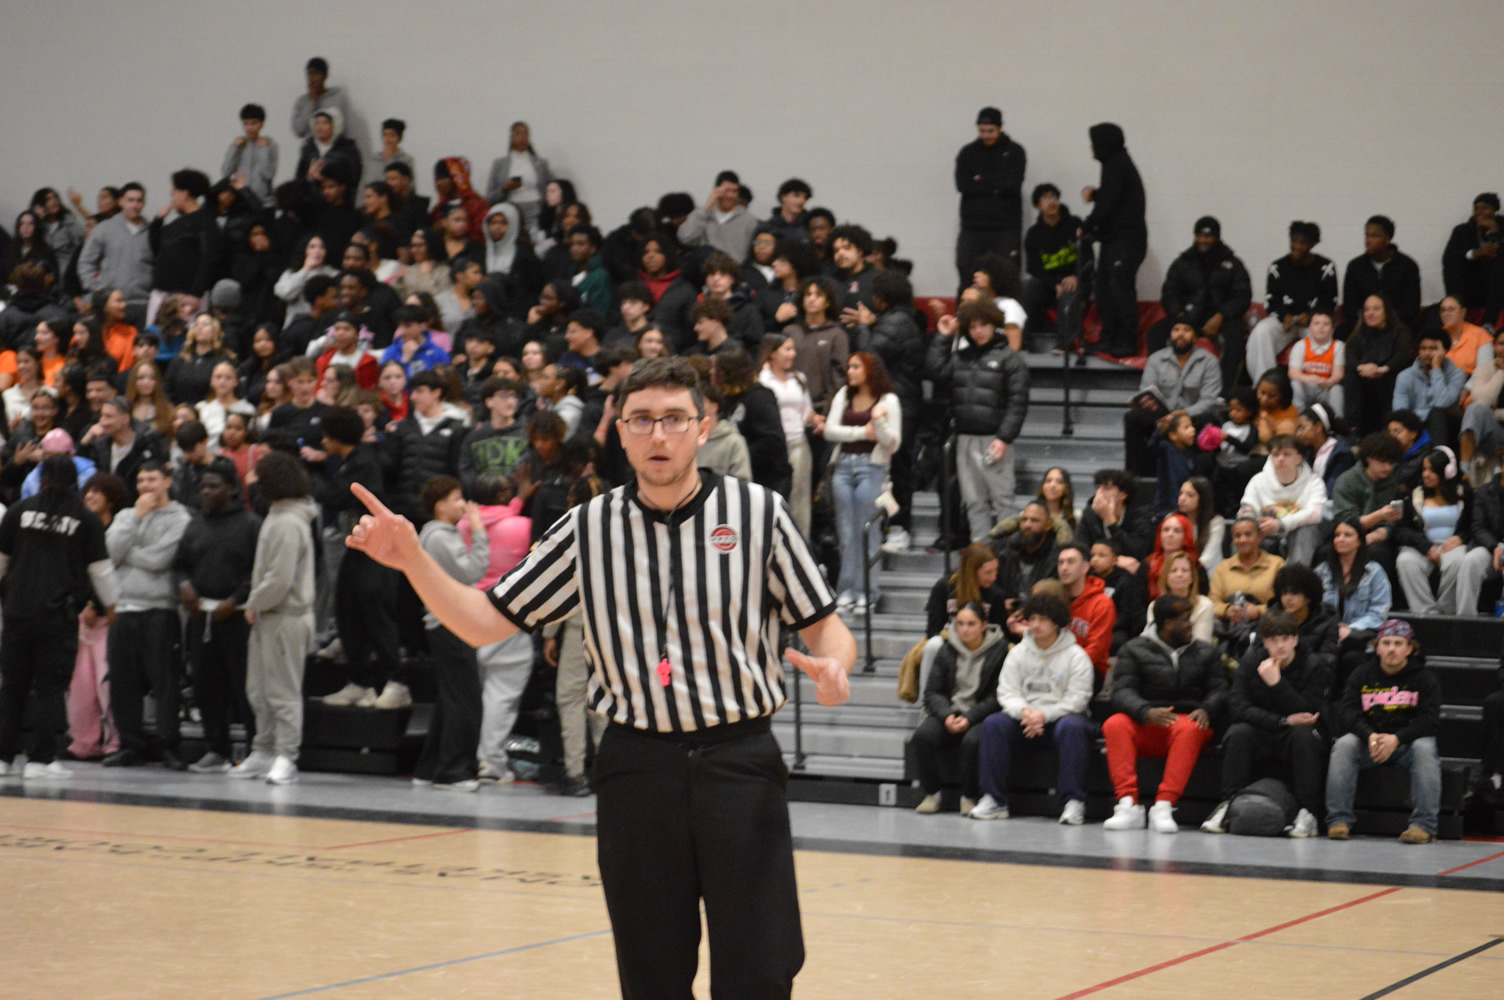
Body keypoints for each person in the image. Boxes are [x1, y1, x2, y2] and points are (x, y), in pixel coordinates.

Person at [344, 355, 856, 998]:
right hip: (636, 767)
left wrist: (836, 666)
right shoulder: (588, 527)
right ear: (620, 431)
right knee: (650, 972)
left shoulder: (759, 514)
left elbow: (825, 627)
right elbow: (481, 622)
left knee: (760, 966)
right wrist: (414, 559)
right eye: (641, 419)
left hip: (740, 762)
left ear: (703, 427)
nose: (658, 435)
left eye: (675, 418)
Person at [0, 456, 118, 779]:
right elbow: (101, 570)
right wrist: (112, 605)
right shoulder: (85, 519)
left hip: (17, 612)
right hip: (57, 615)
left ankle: (3, 758)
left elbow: (1, 560)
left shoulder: (19, 511)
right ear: (75, 481)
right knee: (50, 688)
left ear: (42, 478)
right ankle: (40, 760)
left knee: (12, 687)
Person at [966, 592, 1094, 824]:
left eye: (1042, 619)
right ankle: (994, 799)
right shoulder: (1018, 653)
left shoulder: (1076, 656)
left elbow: (1077, 699)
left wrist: (1044, 715)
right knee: (994, 723)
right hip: (1025, 720)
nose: (1035, 625)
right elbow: (1007, 692)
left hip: (1059, 720)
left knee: (1073, 726)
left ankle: (1073, 802)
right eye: (1032, 618)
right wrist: (1025, 712)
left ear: (1056, 622)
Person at [1103, 595, 1227, 833]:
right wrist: (1145, 711)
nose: (1191, 624)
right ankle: (1127, 805)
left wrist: (1207, 709)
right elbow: (1122, 692)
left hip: (1186, 721)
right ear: (1168, 624)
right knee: (1114, 724)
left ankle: (1164, 806)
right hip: (1147, 719)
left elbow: (1220, 689)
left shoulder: (1206, 652)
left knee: (1191, 728)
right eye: (1185, 619)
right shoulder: (1133, 649)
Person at [231, 451, 318, 784]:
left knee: (282, 692)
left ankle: (286, 756)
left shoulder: (288, 522)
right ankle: (263, 751)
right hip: (270, 616)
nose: (252, 480)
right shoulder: (278, 515)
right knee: (259, 690)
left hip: (286, 616)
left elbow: (280, 579)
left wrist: (253, 603)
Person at [1201, 610, 1328, 837]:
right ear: (1265, 642)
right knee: (1238, 732)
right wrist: (1282, 720)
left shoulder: (1313, 664)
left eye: (1285, 639)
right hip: (1266, 728)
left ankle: (1308, 813)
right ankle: (1227, 805)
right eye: (1273, 640)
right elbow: (1237, 707)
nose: (1280, 646)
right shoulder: (1251, 661)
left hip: (1296, 733)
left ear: (1295, 640)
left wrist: (1277, 683)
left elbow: (1309, 712)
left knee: (1304, 733)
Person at [101, 462, 193, 769]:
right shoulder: (127, 515)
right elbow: (108, 551)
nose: (145, 486)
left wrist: (125, 555)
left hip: (159, 610)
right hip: (124, 608)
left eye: (151, 479)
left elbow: (160, 559)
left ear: (167, 481)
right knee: (122, 684)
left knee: (165, 683)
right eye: (140, 480)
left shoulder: (181, 518)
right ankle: (130, 745)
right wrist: (136, 517)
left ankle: (169, 746)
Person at [317, 406, 408, 709]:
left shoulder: (365, 463)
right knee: (347, 606)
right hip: (359, 545)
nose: (322, 441)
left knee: (375, 608)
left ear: (337, 437)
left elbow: (337, 496)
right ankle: (359, 683)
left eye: (326, 436)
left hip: (379, 547)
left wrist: (311, 482)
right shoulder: (351, 461)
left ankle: (397, 682)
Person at [175, 462, 260, 772]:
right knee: (206, 686)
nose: (206, 492)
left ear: (232, 489)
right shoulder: (195, 525)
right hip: (202, 616)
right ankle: (215, 750)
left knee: (245, 687)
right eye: (203, 487)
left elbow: (257, 571)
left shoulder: (251, 524)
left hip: (237, 616)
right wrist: (184, 585)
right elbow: (180, 564)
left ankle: (255, 750)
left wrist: (236, 599)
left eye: (213, 486)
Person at [1325, 619, 1442, 843]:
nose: (1391, 649)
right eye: (1386, 643)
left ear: (1410, 649)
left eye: (1398, 644)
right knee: (1344, 744)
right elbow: (1348, 712)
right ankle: (1338, 820)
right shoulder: (1361, 674)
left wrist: (1397, 739)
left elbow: (1429, 720)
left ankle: (1423, 825)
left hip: (1407, 744)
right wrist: (1369, 735)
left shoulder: (1425, 678)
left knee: (1425, 748)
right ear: (1377, 648)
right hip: (1370, 742)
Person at [412, 477, 490, 791]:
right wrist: (479, 532)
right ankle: (453, 772)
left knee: (450, 699)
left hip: (447, 622)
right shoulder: (439, 537)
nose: (464, 505)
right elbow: (473, 570)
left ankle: (429, 768)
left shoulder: (438, 535)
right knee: (465, 700)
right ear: (440, 505)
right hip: (451, 623)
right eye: (457, 498)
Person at [928, 300, 1029, 540]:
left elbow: (1018, 403)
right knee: (973, 501)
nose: (978, 331)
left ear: (994, 324)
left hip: (994, 440)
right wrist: (944, 336)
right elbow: (935, 371)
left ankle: (1006, 554)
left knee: (1003, 500)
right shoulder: (959, 357)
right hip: (964, 438)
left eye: (983, 325)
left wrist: (1004, 438)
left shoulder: (1010, 359)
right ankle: (980, 551)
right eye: (973, 327)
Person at [464, 475, 533, 784]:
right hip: (506, 615)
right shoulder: (523, 526)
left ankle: (465, 757)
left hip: (466, 611)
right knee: (501, 694)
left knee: (470, 692)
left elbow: (491, 519)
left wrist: (519, 499)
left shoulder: (463, 525)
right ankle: (491, 762)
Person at [824, 352, 901, 613]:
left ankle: (867, 591)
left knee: (867, 530)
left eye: (856, 367)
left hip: (873, 467)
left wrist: (879, 423)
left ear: (870, 370)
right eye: (849, 367)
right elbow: (829, 430)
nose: (850, 372)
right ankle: (846, 589)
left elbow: (893, 442)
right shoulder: (844, 395)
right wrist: (862, 432)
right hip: (843, 466)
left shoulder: (888, 400)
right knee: (846, 532)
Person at [1148, 217, 1253, 386]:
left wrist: (1221, 316)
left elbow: (1242, 296)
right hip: (1188, 316)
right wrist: (1181, 318)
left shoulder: (1234, 264)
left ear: (1217, 237)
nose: (1203, 240)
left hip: (1222, 319)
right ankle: (1157, 387)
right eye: (1199, 236)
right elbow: (1169, 294)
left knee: (1235, 338)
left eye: (1208, 236)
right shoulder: (1182, 263)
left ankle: (1225, 392)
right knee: (1156, 333)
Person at [1393, 447, 1491, 616]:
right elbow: (1400, 529)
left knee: (1459, 561)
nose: (1426, 475)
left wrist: (1461, 537)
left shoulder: (1464, 494)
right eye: (1424, 469)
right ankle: (1426, 614)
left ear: (1447, 471)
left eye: (1432, 470)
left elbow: (1475, 524)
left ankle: (1446, 613)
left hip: (1452, 546)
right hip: (1422, 546)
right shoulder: (1414, 495)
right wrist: (1424, 545)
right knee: (1405, 561)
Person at [1079, 123, 1146, 358]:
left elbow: (1108, 205)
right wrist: (1097, 196)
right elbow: (1115, 199)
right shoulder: (1116, 163)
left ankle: (1125, 340)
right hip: (1116, 240)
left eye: (1094, 143)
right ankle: (1110, 338)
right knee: (1104, 290)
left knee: (1119, 291)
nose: (1092, 148)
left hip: (1125, 242)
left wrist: (1086, 226)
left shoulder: (1116, 164)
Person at [1124, 319, 1223, 476]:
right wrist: (1160, 416)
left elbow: (1209, 400)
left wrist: (1183, 414)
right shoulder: (1156, 359)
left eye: (1186, 330)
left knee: (1208, 419)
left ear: (1195, 337)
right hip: (1161, 418)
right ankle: (1138, 474)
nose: (1180, 334)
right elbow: (1147, 392)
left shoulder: (1209, 361)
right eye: (1176, 330)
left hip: (1192, 418)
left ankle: (1201, 475)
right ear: (1170, 335)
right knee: (1133, 418)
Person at [1246, 221, 1339, 383]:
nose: (1297, 246)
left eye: (1303, 243)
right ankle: (1265, 384)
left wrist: (1311, 316)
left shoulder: (1326, 267)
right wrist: (1284, 316)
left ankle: (1317, 386)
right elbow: (1271, 301)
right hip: (1285, 322)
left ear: (1313, 244)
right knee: (1262, 331)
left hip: (1312, 322)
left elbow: (1329, 301)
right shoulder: (1277, 267)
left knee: (1322, 334)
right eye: (1294, 241)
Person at [1315, 517, 1393, 689]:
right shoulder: (1322, 571)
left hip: (1360, 634)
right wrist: (1333, 628)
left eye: (1347, 535)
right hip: (1328, 633)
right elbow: (1313, 606)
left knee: (1352, 657)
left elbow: (1379, 611)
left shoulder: (1374, 572)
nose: (1340, 539)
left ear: (1359, 541)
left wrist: (1351, 629)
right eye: (1337, 535)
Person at [953, 107, 1027, 284]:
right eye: (982, 131)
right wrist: (996, 183)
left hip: (1005, 226)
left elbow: (1012, 185)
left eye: (991, 131)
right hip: (973, 226)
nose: (986, 135)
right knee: (966, 271)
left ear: (1001, 127)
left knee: (1008, 274)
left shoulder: (1015, 152)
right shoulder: (967, 153)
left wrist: (981, 179)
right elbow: (963, 186)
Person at [1238, 434, 1326, 566]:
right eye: (1275, 454)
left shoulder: (1314, 482)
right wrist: (1256, 525)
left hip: (1297, 535)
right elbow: (1245, 511)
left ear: (1299, 458)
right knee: (1243, 532)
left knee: (1306, 532)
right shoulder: (1258, 481)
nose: (1280, 459)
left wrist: (1280, 524)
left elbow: (1315, 514)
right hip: (1265, 533)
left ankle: (1294, 577)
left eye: (1287, 454)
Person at [759, 333, 815, 537]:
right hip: (774, 448)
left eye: (793, 349)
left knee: (800, 500)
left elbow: (806, 411)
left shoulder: (799, 378)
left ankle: (801, 545)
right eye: (788, 349)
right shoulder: (762, 379)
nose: (793, 354)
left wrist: (813, 418)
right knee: (773, 499)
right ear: (772, 353)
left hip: (797, 442)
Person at [147, 169, 221, 323]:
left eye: (173, 194)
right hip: (162, 293)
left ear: (185, 193)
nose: (172, 199)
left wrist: (196, 293)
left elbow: (210, 259)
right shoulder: (176, 224)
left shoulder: (206, 222)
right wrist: (157, 222)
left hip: (188, 297)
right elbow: (157, 248)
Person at [77, 183, 152, 320]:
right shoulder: (104, 229)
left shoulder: (152, 231)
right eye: (130, 200)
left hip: (143, 303)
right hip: (111, 304)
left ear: (144, 203)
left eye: (139, 200)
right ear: (121, 202)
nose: (134, 205)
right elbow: (86, 262)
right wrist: (97, 289)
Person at [1342, 215, 1422, 332]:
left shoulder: (1407, 266)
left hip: (1397, 328)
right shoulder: (1355, 266)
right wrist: (1369, 319)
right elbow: (1350, 307)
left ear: (1388, 239)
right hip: (1363, 328)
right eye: (1367, 236)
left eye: (1374, 236)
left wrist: (1387, 321)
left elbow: (1411, 307)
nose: (1368, 241)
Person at [1393, 324, 1466, 450]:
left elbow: (1442, 403)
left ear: (1444, 351)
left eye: (1433, 348)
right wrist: (1425, 415)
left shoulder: (1457, 374)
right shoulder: (1405, 376)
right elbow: (1400, 414)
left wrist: (1436, 369)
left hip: (1449, 427)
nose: (1427, 353)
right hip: (1415, 427)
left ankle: (1438, 457)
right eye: (1423, 348)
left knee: (1437, 414)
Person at [1210, 517, 1286, 631]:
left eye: (1248, 534)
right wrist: (1227, 610)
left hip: (1268, 626)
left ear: (1259, 537)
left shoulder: (1277, 564)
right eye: (1237, 536)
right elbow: (1212, 602)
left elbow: (1284, 601)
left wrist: (1259, 611)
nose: (1242, 540)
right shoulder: (1223, 567)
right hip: (1230, 627)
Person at [925, 543, 1013, 638]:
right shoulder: (943, 588)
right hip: (948, 642)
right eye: (988, 572)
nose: (993, 577)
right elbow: (933, 631)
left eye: (995, 571)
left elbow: (999, 633)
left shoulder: (996, 595)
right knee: (934, 643)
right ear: (972, 571)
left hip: (982, 644)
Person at [1075, 468, 1154, 572]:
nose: (1099, 494)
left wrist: (1110, 520)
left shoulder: (1140, 516)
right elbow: (1080, 550)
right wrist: (1112, 561)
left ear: (1123, 494)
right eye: (1098, 488)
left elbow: (1137, 552)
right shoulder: (1089, 515)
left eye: (1106, 488)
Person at [1057, 542, 1116, 680]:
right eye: (1060, 563)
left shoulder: (1102, 603)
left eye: (1070, 562)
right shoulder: (1054, 597)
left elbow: (1095, 649)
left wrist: (1063, 669)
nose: (1064, 568)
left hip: (1089, 669)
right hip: (1055, 665)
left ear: (1085, 567)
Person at [484, 121, 554, 232]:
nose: (522, 139)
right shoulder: (500, 164)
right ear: (511, 138)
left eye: (525, 135)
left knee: (534, 236)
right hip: (510, 210)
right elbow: (489, 197)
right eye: (518, 135)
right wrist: (504, 189)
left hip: (536, 209)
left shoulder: (540, 163)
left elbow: (552, 187)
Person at [1442, 193, 1502, 317]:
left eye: (1484, 208)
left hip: (1497, 286)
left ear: (1494, 210)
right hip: (1472, 285)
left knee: (1498, 267)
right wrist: (1475, 254)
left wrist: (1495, 233)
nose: (1479, 212)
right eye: (1476, 209)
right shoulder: (1462, 231)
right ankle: (1458, 311)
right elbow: (1448, 258)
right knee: (1453, 266)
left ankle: (1489, 321)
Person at [677, 170, 757, 262]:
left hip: (736, 268)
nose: (730, 195)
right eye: (726, 191)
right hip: (706, 269)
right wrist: (706, 208)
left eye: (734, 191)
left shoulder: (748, 220)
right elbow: (685, 238)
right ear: (716, 190)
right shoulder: (702, 215)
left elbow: (753, 252)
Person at [1286, 310, 1346, 415]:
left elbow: (1338, 375)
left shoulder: (1339, 346)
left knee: (1337, 389)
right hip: (1306, 387)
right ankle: (1297, 417)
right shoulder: (1301, 345)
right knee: (1295, 384)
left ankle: (1337, 421)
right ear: (1310, 328)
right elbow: (1293, 373)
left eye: (1326, 324)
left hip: (1326, 389)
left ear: (1332, 329)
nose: (1321, 327)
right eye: (1316, 323)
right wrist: (1307, 378)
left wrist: (1327, 383)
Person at [221, 104, 278, 203]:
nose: (249, 127)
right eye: (246, 123)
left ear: (262, 124)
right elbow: (226, 173)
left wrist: (263, 150)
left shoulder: (270, 144)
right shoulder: (239, 144)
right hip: (240, 199)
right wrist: (234, 148)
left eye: (253, 123)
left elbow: (268, 174)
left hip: (263, 201)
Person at [290, 57, 351, 141]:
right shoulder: (302, 102)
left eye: (315, 74)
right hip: (311, 148)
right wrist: (312, 102)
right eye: (309, 74)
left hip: (336, 147)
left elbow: (344, 127)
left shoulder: (337, 97)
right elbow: (299, 131)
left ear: (324, 76)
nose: (311, 79)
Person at [1439, 295, 1492, 377]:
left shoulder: (1480, 334)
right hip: (1441, 381)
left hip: (1473, 381)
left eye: (1451, 309)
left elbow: (1484, 371)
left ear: (1463, 312)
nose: (1446, 314)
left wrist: (1467, 386)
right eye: (1443, 310)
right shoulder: (1436, 335)